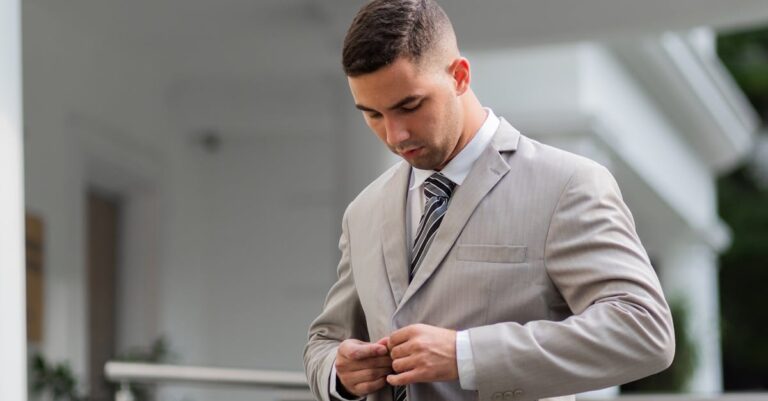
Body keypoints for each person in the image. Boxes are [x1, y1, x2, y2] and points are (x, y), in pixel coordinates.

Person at [303, 1, 675, 400]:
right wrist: (339, 374)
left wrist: (467, 355)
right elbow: (326, 340)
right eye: (372, 114)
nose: (395, 135)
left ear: (460, 76)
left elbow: (644, 329)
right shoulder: (363, 211)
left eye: (409, 106)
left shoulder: (567, 184)